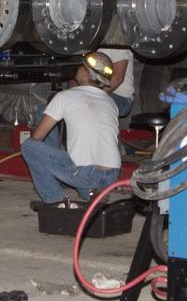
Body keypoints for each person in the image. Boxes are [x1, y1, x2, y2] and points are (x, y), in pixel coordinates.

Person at [21, 52, 122, 206]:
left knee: (29, 147)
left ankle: (56, 200)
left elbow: (37, 138)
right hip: (111, 176)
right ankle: (93, 194)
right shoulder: (110, 102)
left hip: (85, 174)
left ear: (85, 73)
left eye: (82, 66)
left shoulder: (65, 96)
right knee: (45, 113)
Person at [100, 47, 136, 118]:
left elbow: (117, 78)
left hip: (120, 95)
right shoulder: (86, 43)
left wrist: (92, 94)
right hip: (102, 92)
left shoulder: (117, 43)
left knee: (85, 105)